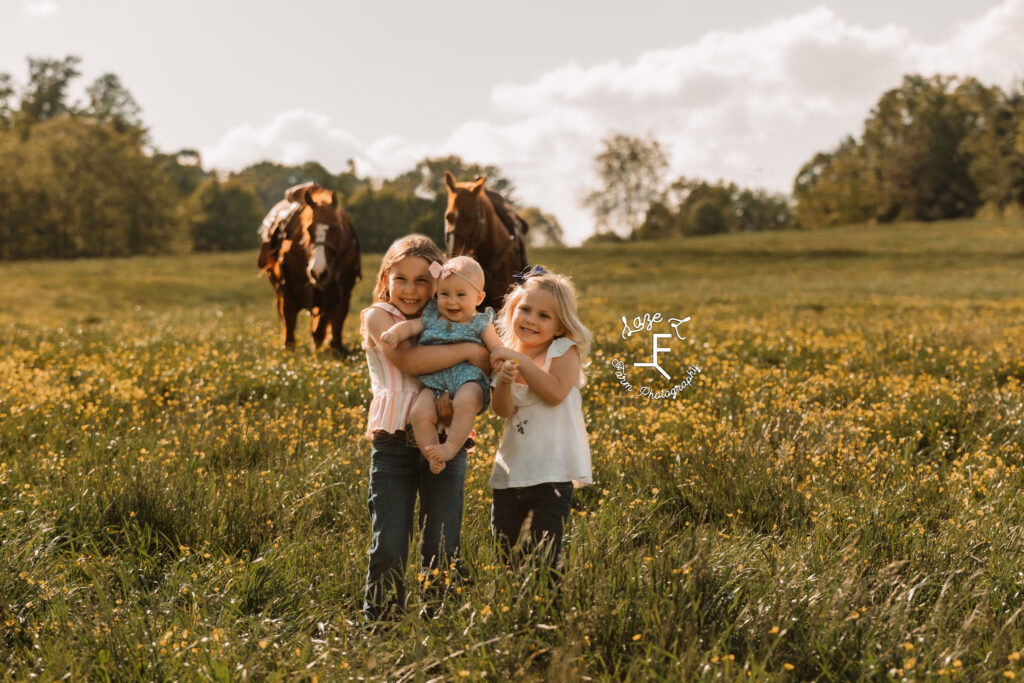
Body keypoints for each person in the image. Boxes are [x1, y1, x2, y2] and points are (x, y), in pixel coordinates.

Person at [359, 235, 490, 620]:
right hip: (393, 443)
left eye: (422, 281)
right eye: (402, 279)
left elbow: (483, 366)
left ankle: (440, 619)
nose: (412, 290)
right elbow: (411, 362)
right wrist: (468, 351)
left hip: (448, 438)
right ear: (386, 278)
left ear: (439, 283)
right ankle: (380, 621)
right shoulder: (378, 316)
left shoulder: (450, 318)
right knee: (390, 541)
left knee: (443, 539)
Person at [488, 267, 593, 574]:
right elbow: (503, 411)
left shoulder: (563, 350)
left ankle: (547, 609)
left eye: (544, 316)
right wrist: (505, 380)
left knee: (545, 556)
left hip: (552, 473)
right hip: (512, 471)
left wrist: (519, 361)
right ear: (512, 312)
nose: (532, 320)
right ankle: (511, 611)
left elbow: (555, 393)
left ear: (561, 326)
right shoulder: (507, 356)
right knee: (505, 553)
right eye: (525, 309)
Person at [380, 256, 502, 473]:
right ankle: (433, 455)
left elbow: (497, 348)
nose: (451, 302)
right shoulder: (433, 316)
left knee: (466, 403)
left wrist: (502, 361)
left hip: (469, 379)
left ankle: (450, 447)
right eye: (445, 294)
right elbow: (410, 327)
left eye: (460, 295)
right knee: (419, 414)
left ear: (479, 297)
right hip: (434, 382)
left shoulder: (481, 323)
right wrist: (393, 334)